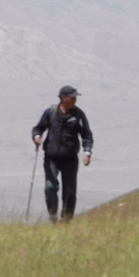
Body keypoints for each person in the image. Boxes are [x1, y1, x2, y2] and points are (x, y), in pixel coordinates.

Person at [31, 84, 93, 223]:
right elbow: (38, 128)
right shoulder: (51, 112)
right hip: (51, 158)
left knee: (70, 193)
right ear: (63, 98)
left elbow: (86, 135)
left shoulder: (78, 115)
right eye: (72, 97)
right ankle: (53, 219)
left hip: (70, 159)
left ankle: (66, 221)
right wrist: (37, 137)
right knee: (50, 187)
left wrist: (87, 152)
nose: (75, 100)